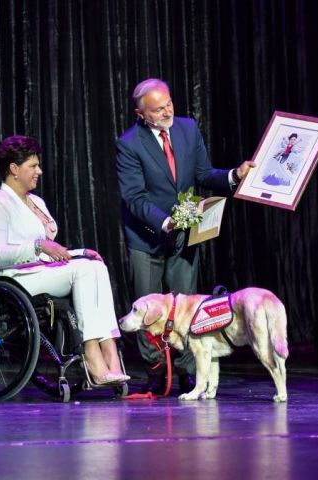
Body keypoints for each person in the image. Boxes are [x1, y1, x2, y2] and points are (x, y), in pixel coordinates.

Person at [115, 78, 253, 395]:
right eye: (158, 109)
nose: (167, 112)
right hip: (147, 237)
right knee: (147, 312)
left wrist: (234, 174)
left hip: (184, 234)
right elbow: (134, 197)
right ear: (141, 113)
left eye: (169, 104)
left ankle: (188, 372)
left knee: (186, 308)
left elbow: (204, 174)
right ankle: (154, 372)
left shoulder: (188, 129)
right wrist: (164, 223)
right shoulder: (129, 144)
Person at [0, 135, 129, 385]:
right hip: (17, 278)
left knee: (95, 265)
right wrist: (38, 245)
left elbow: (49, 249)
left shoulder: (36, 201)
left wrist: (79, 252)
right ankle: (91, 353)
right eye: (33, 166)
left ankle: (110, 352)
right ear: (14, 169)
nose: (39, 171)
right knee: (83, 271)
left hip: (42, 271)